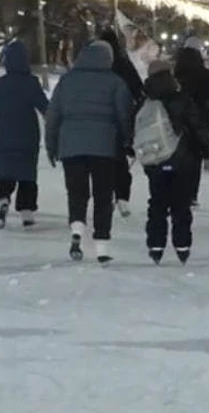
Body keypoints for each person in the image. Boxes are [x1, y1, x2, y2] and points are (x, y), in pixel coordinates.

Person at [46, 40, 133, 265]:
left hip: (71, 146)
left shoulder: (67, 81)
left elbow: (53, 116)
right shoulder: (115, 82)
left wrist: (51, 145)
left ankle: (76, 229)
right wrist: (128, 140)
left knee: (77, 193)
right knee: (103, 196)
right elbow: (124, 115)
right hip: (104, 146)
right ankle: (102, 245)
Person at [141, 60, 209, 264]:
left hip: (155, 159)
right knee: (181, 203)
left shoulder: (145, 101)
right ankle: (182, 245)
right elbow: (198, 129)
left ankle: (155, 245)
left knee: (157, 202)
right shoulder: (183, 99)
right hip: (184, 159)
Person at [0, 41, 48, 228]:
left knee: (5, 171)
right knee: (27, 174)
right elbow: (44, 107)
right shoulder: (31, 82)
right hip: (27, 134)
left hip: (4, 134)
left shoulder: (1, 83)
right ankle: (26, 210)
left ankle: (3, 199)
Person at [174, 39, 209, 206]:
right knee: (195, 154)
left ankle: (177, 190)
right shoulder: (203, 73)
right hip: (199, 117)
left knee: (178, 153)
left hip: (177, 117)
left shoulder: (176, 71)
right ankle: (191, 194)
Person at [100, 28, 146, 218]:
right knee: (119, 158)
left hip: (98, 121)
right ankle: (122, 196)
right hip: (121, 117)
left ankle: (105, 196)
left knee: (101, 160)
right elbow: (138, 89)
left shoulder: (94, 65)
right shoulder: (123, 63)